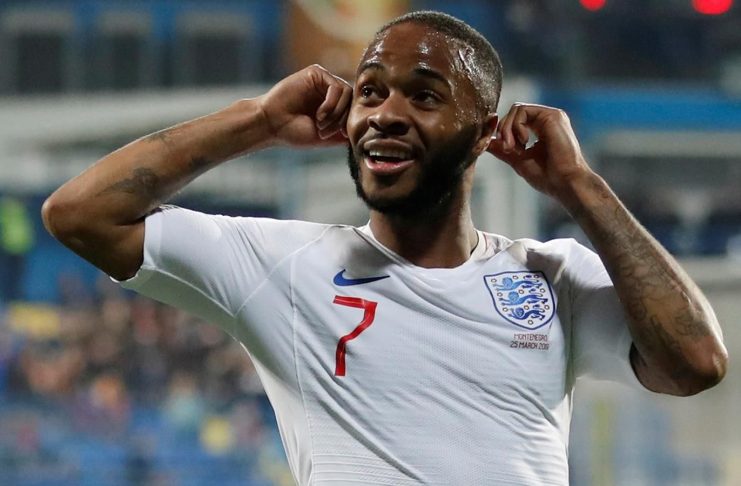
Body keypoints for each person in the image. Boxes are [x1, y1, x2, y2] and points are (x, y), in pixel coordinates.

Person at [42, 10, 727, 486]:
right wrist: (258, 121)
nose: (386, 114)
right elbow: (81, 214)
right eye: (370, 92)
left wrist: (580, 186)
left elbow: (695, 363)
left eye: (424, 96)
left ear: (482, 133)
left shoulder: (552, 277)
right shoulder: (283, 265)